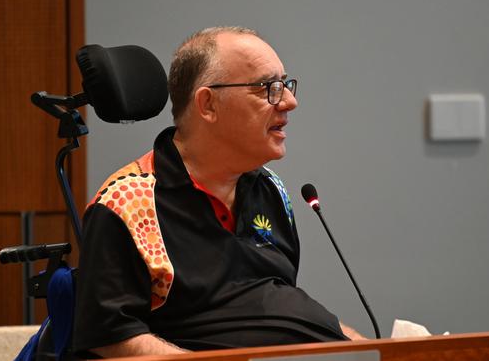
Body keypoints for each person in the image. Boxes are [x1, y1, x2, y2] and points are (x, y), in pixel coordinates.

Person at [73, 26, 364, 358]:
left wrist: (375, 350)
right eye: (268, 87)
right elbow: (111, 338)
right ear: (208, 103)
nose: (289, 101)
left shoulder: (272, 189)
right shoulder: (127, 205)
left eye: (285, 84)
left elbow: (279, 307)